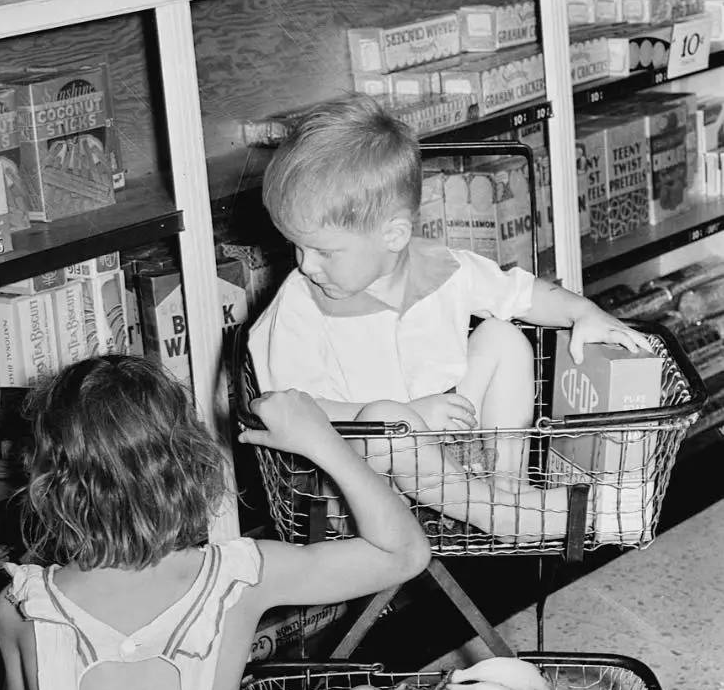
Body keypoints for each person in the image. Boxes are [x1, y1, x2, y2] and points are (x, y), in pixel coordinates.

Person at [0, 354, 430, 690]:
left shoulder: (24, 604)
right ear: (190, 463)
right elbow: (403, 553)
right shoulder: (238, 580)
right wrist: (321, 439)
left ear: (47, 482)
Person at [248, 94, 651, 533]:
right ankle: (506, 517)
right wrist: (410, 416)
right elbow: (290, 411)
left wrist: (583, 312)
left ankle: (508, 488)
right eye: (297, 247)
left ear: (394, 236)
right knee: (389, 418)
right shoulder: (300, 303)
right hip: (357, 486)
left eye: (323, 251)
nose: (306, 265)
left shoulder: (445, 270)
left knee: (501, 337)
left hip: (451, 456)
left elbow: (523, 295)